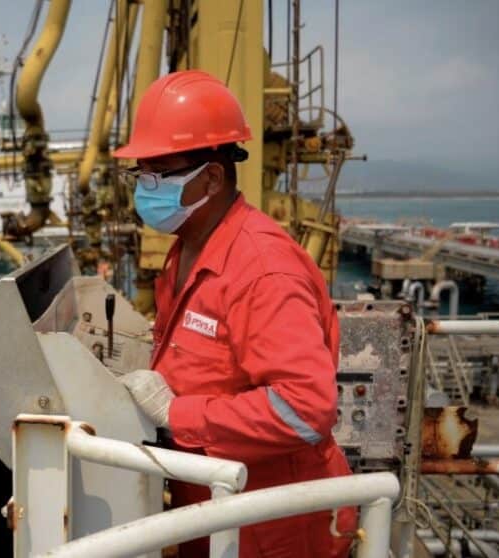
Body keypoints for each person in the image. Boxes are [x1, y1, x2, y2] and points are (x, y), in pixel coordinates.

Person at [115, 70, 356, 558]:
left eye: (158, 174)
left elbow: (306, 408)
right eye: (140, 174)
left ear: (211, 177)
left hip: (271, 527)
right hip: (216, 509)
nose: (145, 188)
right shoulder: (187, 247)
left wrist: (173, 413)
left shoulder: (262, 270)